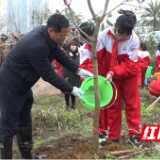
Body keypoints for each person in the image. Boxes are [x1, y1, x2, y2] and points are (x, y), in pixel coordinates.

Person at [0, 14, 92, 160]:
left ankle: (27, 157)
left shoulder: (48, 38)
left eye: (65, 35)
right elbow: (48, 74)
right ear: (51, 31)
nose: (64, 38)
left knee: (24, 120)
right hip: (11, 86)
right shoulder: (36, 44)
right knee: (8, 126)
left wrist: (79, 70)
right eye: (62, 35)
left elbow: (61, 56)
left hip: (24, 85)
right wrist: (71, 89)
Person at [93, 9, 141, 147]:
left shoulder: (134, 40)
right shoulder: (103, 36)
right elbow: (99, 59)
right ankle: (114, 137)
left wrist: (114, 72)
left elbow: (131, 64)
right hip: (110, 77)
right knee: (114, 104)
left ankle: (135, 134)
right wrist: (101, 78)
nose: (121, 36)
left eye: (125, 34)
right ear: (115, 26)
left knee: (132, 104)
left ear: (130, 33)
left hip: (128, 75)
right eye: (120, 32)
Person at [62, 40, 80, 110]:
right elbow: (63, 66)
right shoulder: (66, 54)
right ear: (70, 46)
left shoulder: (77, 54)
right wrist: (65, 76)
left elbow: (79, 63)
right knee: (67, 91)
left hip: (75, 75)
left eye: (74, 45)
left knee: (74, 90)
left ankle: (73, 104)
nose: (73, 47)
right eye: (72, 45)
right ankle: (67, 105)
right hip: (68, 75)